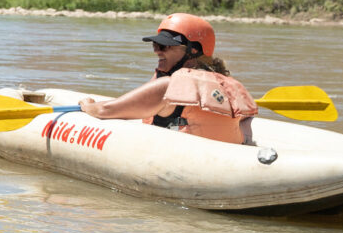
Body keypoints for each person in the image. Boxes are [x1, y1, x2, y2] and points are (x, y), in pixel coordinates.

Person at [78, 13, 258, 144]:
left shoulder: (168, 86)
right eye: (156, 45)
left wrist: (87, 105)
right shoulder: (228, 86)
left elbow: (105, 111)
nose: (157, 50)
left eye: (165, 46)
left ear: (193, 51)